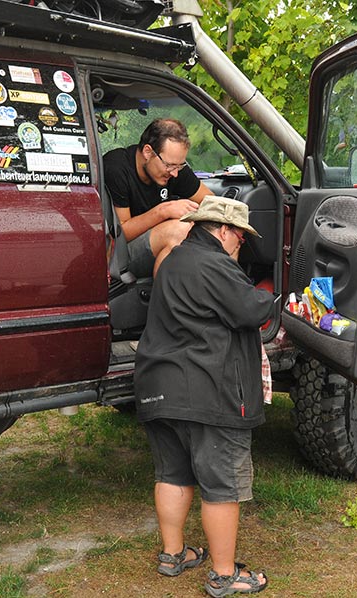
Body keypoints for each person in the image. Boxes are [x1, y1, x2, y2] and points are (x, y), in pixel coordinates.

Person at [134, 196, 275, 596]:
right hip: (208, 392)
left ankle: (173, 554)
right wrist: (270, 294)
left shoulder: (174, 259)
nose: (240, 246)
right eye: (241, 239)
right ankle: (224, 575)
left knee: (172, 474)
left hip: (159, 388)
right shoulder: (214, 264)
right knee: (222, 485)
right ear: (225, 230)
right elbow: (250, 310)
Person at [103, 118, 213, 277]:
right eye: (169, 165)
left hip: (152, 240)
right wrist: (164, 211)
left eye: (180, 166)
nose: (175, 173)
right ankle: (167, 292)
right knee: (179, 230)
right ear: (148, 152)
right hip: (118, 253)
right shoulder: (117, 169)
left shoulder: (174, 167)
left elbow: (211, 201)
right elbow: (121, 233)